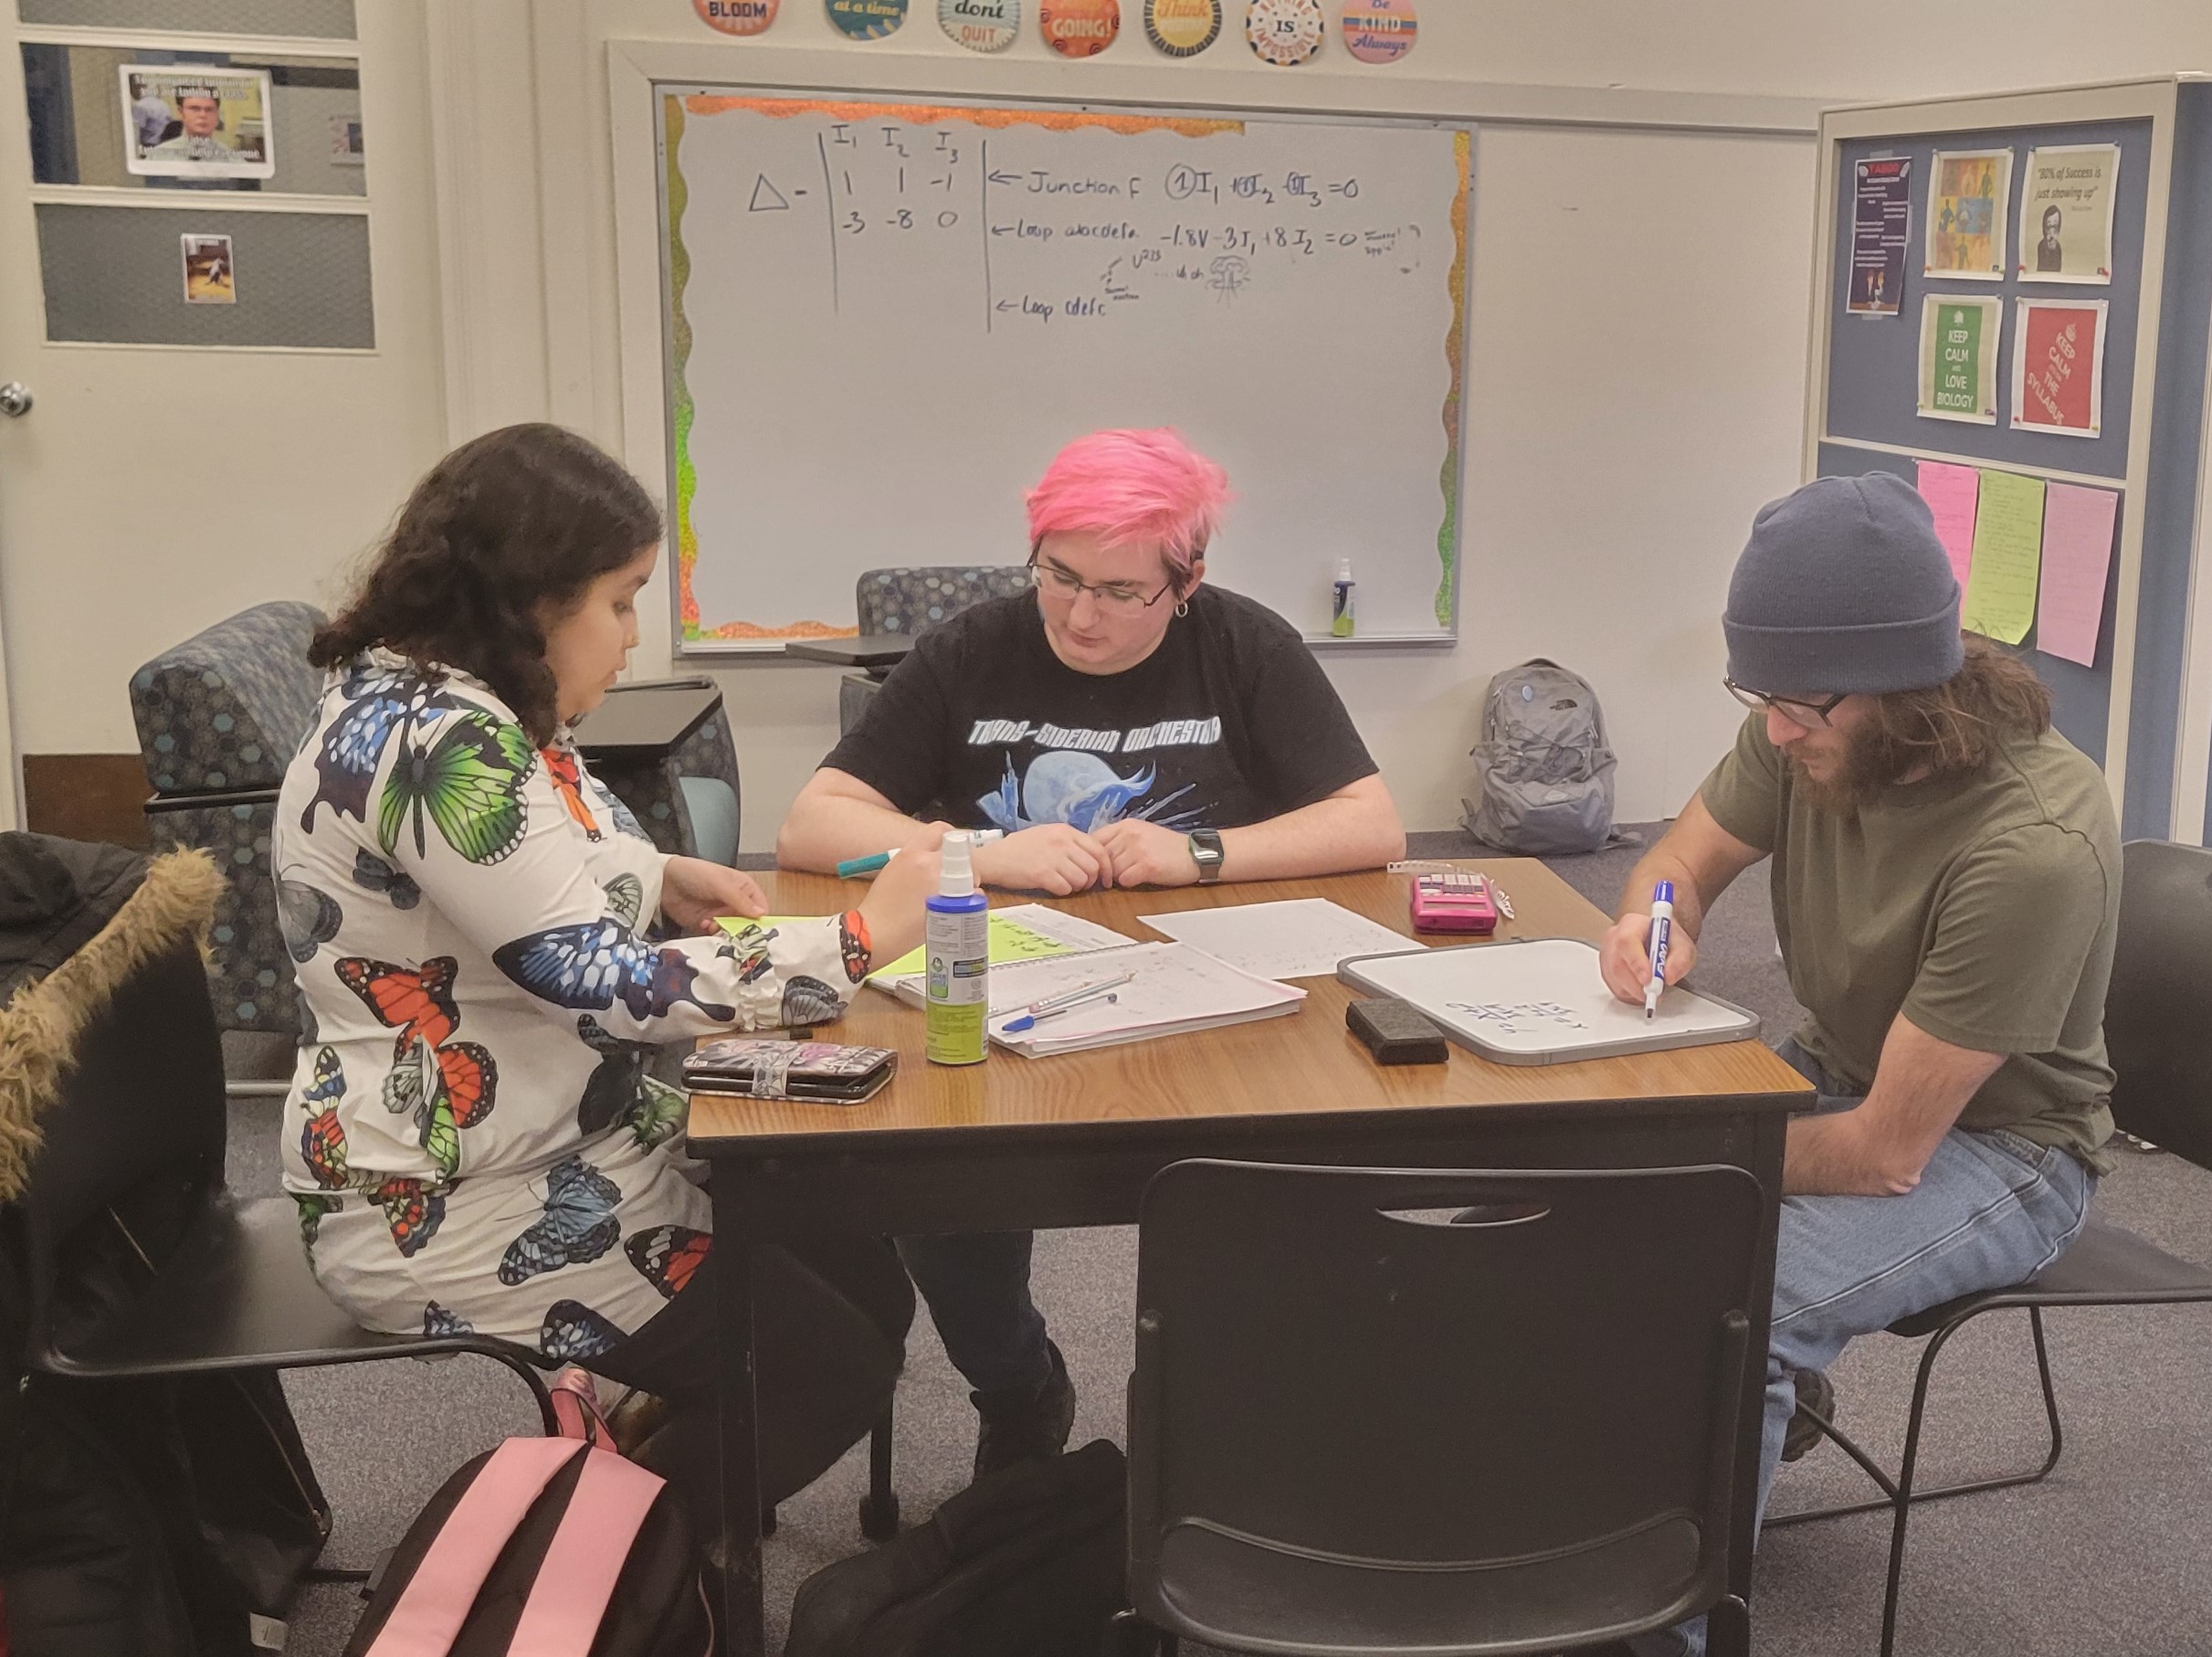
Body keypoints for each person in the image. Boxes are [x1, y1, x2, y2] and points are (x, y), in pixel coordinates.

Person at [275, 423, 945, 1535]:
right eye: (622, 600)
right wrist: (859, 940)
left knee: (861, 1279)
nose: (635, 636)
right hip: (441, 1196)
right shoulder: (440, 741)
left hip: (561, 1138)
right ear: (533, 600)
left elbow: (526, 874)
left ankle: (633, 1476)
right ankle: (607, 1567)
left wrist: (653, 870)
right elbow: (589, 977)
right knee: (819, 1365)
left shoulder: (462, 699)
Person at [777, 426, 1407, 1477]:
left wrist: (1200, 850)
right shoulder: (970, 647)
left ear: (1186, 581)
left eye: (1121, 591)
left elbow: (1372, 823)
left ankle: (1218, 1424)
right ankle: (1018, 1384)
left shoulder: (1246, 646)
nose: (1080, 614)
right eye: (1059, 577)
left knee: (1265, 1202)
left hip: (1209, 1016)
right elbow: (811, 824)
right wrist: (986, 847)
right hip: (1007, 998)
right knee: (945, 1187)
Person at [1592, 473, 2115, 1657]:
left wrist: (1688, 1152)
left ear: (1908, 688)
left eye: (1802, 706)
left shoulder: (2029, 844)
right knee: (1584, 1211)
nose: (1775, 728)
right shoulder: (1809, 715)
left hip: (2002, 1149)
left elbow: (1884, 1155)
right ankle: (1641, 1480)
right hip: (1834, 1071)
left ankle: (1655, 1627)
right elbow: (1677, 858)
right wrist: (1654, 930)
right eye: (1760, 696)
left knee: (1738, 1298)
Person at [145, 87, 238, 164]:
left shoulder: (232, 159)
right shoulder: (158, 155)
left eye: (209, 109)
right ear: (181, 112)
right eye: (195, 109)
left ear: (216, 114)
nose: (203, 115)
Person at [2037, 202, 2064, 273]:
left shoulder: (2058, 246)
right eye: (2049, 227)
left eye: (2055, 226)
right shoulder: (2042, 246)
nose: (2052, 232)